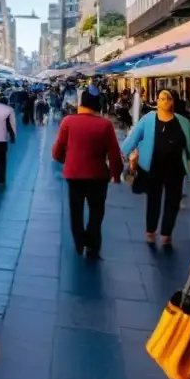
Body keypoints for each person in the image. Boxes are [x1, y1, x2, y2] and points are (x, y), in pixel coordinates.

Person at [121, 88, 190, 249]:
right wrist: (122, 153)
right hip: (153, 167)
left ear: (173, 102)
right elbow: (134, 136)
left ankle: (166, 234)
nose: (165, 101)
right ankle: (150, 231)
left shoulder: (183, 122)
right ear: (157, 101)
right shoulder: (148, 119)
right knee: (153, 200)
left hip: (176, 169)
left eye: (168, 98)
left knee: (173, 201)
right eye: (162, 98)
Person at [52, 85, 124, 259]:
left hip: (74, 175)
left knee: (75, 212)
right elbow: (114, 154)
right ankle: (93, 245)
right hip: (98, 176)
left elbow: (56, 152)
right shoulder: (106, 125)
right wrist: (116, 175)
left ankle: (79, 242)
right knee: (96, 212)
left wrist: (67, 161)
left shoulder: (68, 121)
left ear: (81, 103)